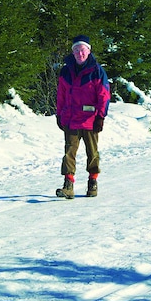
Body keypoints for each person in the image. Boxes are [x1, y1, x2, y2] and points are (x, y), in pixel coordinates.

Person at [55, 35, 111, 198]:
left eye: (83, 50)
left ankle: (92, 181)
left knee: (92, 153)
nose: (80, 53)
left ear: (89, 51)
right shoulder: (66, 71)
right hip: (71, 119)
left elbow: (104, 95)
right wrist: (59, 114)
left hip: (90, 120)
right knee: (69, 153)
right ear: (73, 52)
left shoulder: (97, 71)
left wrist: (101, 116)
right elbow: (61, 95)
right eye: (76, 50)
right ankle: (68, 184)